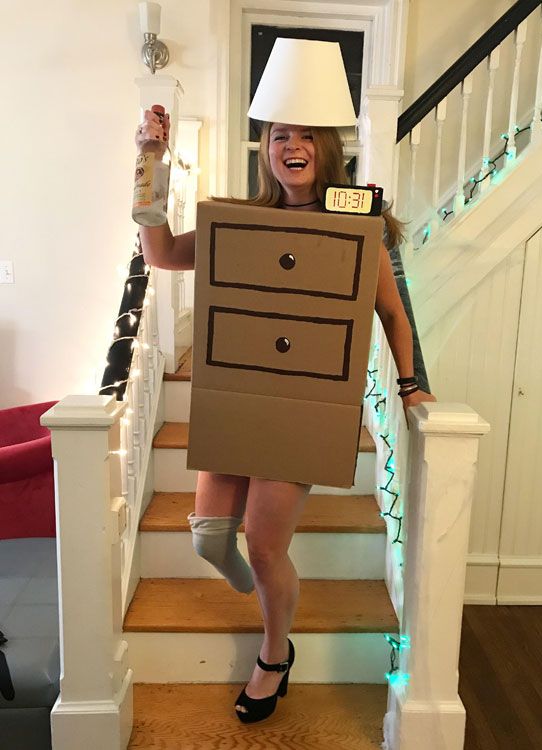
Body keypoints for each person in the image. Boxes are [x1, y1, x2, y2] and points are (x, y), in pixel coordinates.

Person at [135, 110, 436, 723]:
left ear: (325, 150)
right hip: (238, 399)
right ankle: (262, 592)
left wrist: (410, 388)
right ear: (265, 151)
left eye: (305, 136)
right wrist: (149, 159)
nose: (291, 146)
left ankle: (275, 653)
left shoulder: (353, 224)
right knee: (208, 540)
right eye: (279, 136)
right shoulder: (242, 222)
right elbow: (162, 252)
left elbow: (392, 314)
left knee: (266, 550)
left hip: (301, 406)